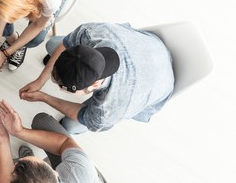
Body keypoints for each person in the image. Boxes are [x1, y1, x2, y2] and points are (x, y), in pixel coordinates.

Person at [19, 22, 175, 134]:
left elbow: (83, 115)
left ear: (93, 85)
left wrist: (44, 97)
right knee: (53, 44)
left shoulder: (108, 110)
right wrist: (40, 81)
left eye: (62, 88)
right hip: (154, 48)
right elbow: (66, 44)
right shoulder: (91, 33)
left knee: (70, 126)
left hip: (160, 83)